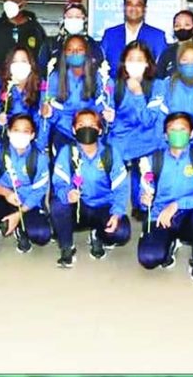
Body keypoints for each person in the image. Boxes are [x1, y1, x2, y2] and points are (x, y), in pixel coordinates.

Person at [136, 111, 193, 282]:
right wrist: (144, 201)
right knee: (149, 259)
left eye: (183, 129)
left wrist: (177, 205)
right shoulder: (153, 160)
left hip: (190, 216)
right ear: (165, 135)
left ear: (192, 134)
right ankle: (169, 243)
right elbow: (144, 197)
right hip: (161, 217)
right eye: (172, 130)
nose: (178, 133)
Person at [52, 109, 131, 267]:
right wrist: (67, 193)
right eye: (81, 125)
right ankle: (67, 247)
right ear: (74, 130)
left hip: (103, 206)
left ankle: (98, 234)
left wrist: (117, 213)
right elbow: (59, 182)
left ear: (100, 130)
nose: (86, 129)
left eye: (92, 125)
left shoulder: (110, 153)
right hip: (78, 207)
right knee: (58, 206)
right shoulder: (67, 152)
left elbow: (121, 187)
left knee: (122, 233)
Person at [0, 114, 51, 264]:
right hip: (3, 200)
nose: (20, 135)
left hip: (26, 204)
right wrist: (6, 193)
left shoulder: (40, 158)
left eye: (25, 131)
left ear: (32, 135)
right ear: (9, 132)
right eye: (16, 130)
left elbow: (39, 191)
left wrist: (19, 213)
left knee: (42, 235)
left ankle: (19, 227)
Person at [108, 41, 165, 220]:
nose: (135, 63)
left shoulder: (158, 86)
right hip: (120, 142)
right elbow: (109, 119)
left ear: (148, 63)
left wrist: (139, 94)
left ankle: (144, 208)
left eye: (140, 59)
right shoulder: (113, 85)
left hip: (147, 142)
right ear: (123, 62)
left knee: (144, 196)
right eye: (130, 59)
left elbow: (148, 120)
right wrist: (108, 117)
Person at [42, 34, 104, 150]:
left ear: (86, 52)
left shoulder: (98, 77)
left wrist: (88, 122)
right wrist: (49, 114)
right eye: (70, 50)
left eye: (79, 49)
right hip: (63, 130)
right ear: (64, 53)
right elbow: (48, 110)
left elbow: (103, 106)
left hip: (90, 129)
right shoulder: (54, 77)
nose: (75, 53)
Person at [0, 46, 47, 150]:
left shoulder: (40, 85)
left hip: (30, 139)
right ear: (9, 65)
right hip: (3, 138)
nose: (19, 65)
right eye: (15, 61)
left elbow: (44, 120)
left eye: (23, 61)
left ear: (31, 64)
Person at [155, 41, 193, 149]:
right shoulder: (167, 86)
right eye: (185, 60)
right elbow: (160, 120)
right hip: (171, 146)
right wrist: (162, 146)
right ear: (178, 62)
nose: (190, 64)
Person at [99, 0, 168, 77]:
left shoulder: (157, 36)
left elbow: (161, 68)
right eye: (129, 4)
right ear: (124, 7)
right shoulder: (110, 34)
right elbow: (101, 64)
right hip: (114, 88)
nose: (133, 8)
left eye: (138, 5)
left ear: (145, 8)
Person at [37, 2, 103, 74]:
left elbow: (98, 65)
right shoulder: (51, 44)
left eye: (78, 17)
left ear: (84, 19)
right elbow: (41, 68)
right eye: (70, 17)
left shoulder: (92, 44)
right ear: (64, 19)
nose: (73, 20)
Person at [156, 10, 193, 79]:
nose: (182, 28)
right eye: (177, 25)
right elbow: (159, 78)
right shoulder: (167, 53)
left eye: (187, 25)